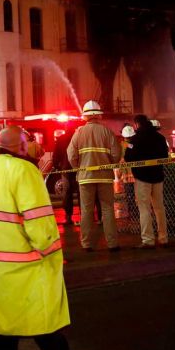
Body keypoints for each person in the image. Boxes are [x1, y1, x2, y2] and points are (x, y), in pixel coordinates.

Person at [0, 126, 97, 350]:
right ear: (22, 146)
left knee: (3, 323)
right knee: (42, 314)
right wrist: (50, 249)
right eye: (27, 142)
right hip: (22, 262)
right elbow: (37, 217)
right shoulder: (25, 171)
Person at [68, 100, 122, 252]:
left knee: (86, 211)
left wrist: (78, 168)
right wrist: (110, 163)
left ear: (85, 116)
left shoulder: (78, 133)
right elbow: (116, 154)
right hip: (105, 177)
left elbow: (71, 155)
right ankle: (112, 244)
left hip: (85, 177)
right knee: (107, 209)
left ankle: (87, 244)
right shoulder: (107, 131)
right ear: (99, 115)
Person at [125, 115, 169, 249]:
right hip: (158, 177)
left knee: (144, 209)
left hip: (142, 177)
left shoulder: (135, 139)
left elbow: (128, 157)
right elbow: (165, 156)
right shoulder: (160, 138)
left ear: (137, 124)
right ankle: (163, 238)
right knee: (159, 208)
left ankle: (148, 239)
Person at [52, 126, 78, 226]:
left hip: (65, 169)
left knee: (67, 193)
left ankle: (68, 217)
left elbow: (56, 155)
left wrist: (57, 166)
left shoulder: (61, 139)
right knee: (81, 193)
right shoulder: (77, 137)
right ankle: (85, 216)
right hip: (78, 169)